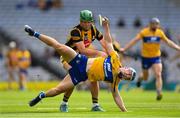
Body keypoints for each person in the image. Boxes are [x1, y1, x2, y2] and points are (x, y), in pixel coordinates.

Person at [24, 17, 136, 112]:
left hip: (80, 75)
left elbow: (116, 95)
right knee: (59, 47)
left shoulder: (116, 80)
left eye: (128, 77)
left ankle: (41, 96)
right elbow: (108, 42)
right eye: (129, 72)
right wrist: (106, 27)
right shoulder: (115, 59)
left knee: (58, 90)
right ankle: (34, 33)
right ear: (126, 68)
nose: (127, 75)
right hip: (81, 61)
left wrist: (124, 111)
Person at [120, 18, 180, 100]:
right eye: (154, 24)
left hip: (156, 57)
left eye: (157, 24)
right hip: (146, 58)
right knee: (145, 77)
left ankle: (159, 92)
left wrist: (178, 48)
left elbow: (168, 42)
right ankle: (140, 79)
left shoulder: (160, 33)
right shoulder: (144, 32)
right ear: (150, 24)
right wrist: (125, 49)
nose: (155, 25)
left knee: (158, 74)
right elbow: (134, 40)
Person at [60, 10, 107, 112]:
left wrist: (112, 51)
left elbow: (104, 43)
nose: (86, 24)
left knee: (93, 77)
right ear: (80, 21)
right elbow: (83, 50)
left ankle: (95, 105)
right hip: (68, 58)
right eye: (84, 22)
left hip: (81, 58)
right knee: (74, 77)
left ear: (91, 21)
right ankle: (64, 103)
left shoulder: (94, 30)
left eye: (88, 22)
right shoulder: (75, 31)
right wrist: (99, 53)